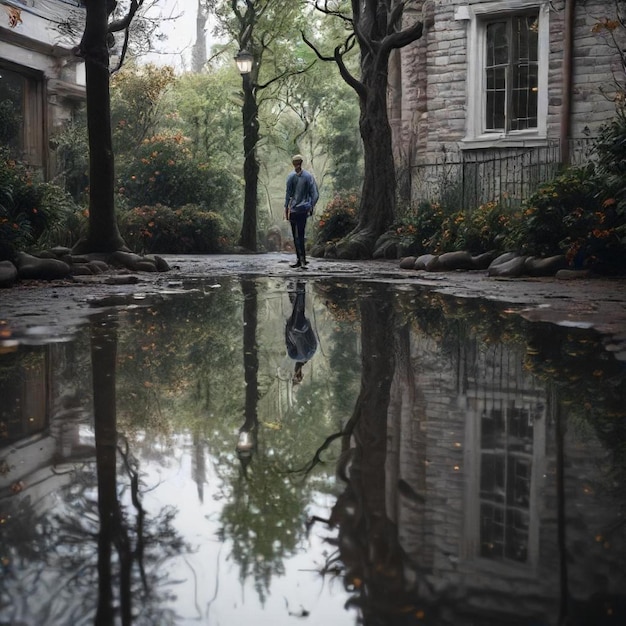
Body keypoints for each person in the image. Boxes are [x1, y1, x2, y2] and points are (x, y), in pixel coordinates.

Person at [284, 154, 319, 269]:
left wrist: (310, 206)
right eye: (295, 163)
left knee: (300, 234)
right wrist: (286, 209)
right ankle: (300, 259)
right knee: (296, 235)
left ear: (301, 163)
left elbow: (314, 194)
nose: (296, 165)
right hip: (294, 210)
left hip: (303, 209)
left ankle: (302, 259)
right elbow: (288, 194)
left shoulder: (308, 177)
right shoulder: (291, 177)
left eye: (298, 163)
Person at [285, 281, 317, 384]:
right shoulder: (294, 356)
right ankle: (297, 288)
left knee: (299, 309)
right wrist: (288, 327)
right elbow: (288, 341)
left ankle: (298, 288)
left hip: (303, 327)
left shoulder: (311, 352)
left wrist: (308, 326)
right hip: (295, 329)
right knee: (297, 309)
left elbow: (312, 338)